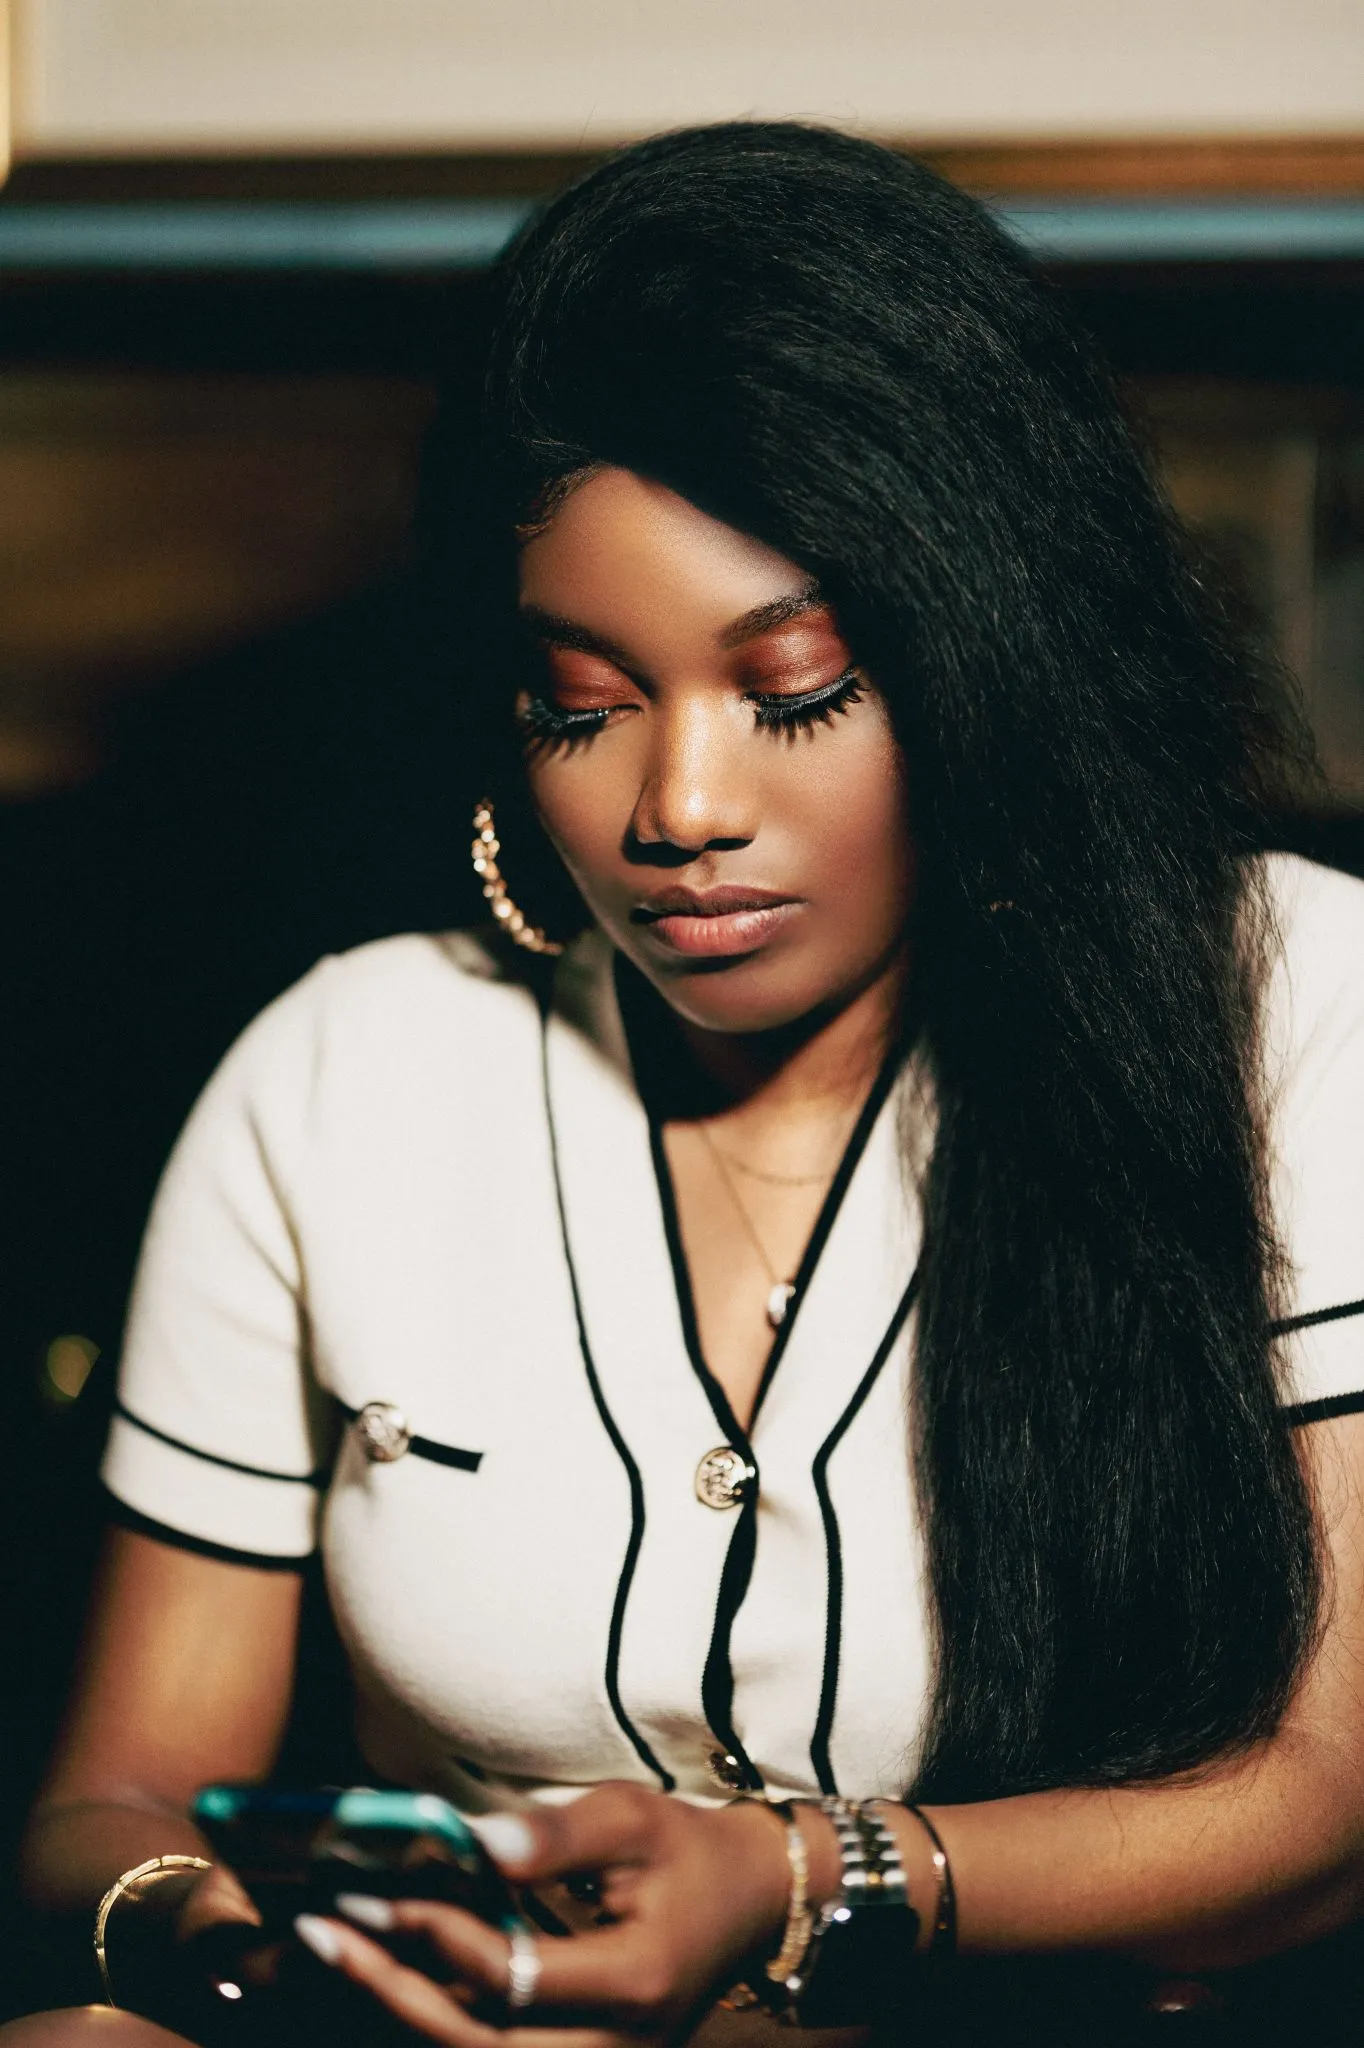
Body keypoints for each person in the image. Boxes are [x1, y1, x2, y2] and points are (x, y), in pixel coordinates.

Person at [8, 121, 1364, 2048]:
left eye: (796, 688)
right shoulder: (343, 1073)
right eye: (583, 702)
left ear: (983, 666)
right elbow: (120, 1790)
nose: (681, 811)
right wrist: (233, 1950)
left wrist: (801, 1878)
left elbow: (1324, 1809)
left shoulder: (1286, 1000)